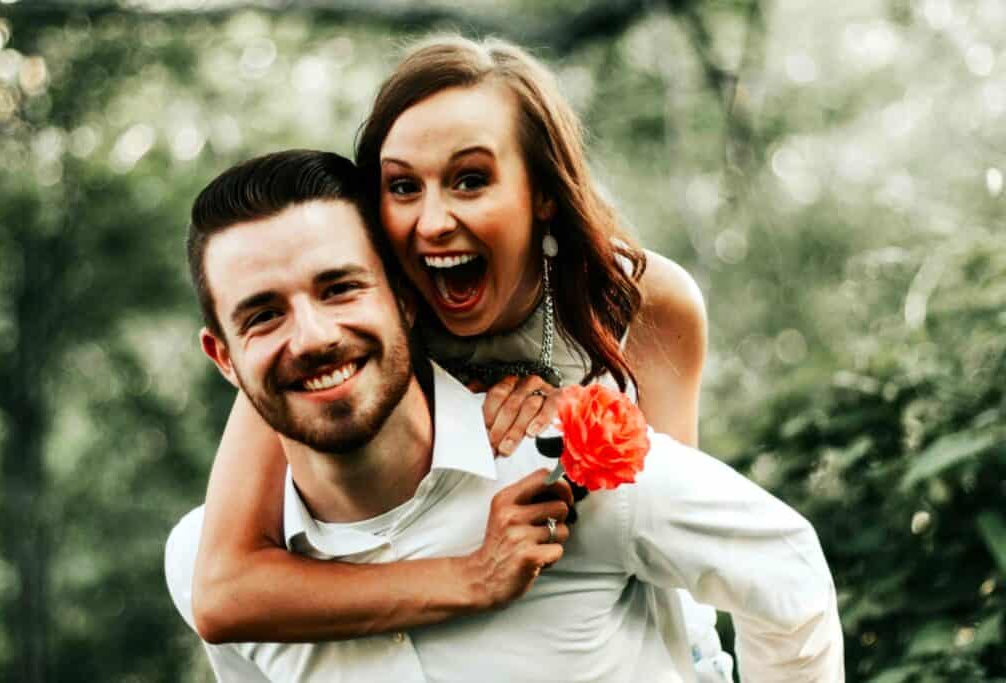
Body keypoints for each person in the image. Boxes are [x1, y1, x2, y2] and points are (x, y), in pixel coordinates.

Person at [165, 149, 844, 682]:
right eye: (263, 314)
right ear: (222, 356)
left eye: (340, 287)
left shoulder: (568, 466)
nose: (311, 335)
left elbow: (786, 572)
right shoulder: (202, 559)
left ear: (405, 296)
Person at [193, 36, 712, 678]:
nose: (433, 221)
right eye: (403, 186)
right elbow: (222, 589)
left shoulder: (648, 302)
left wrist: (570, 439)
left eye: (471, 179)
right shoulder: (343, 328)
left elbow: (675, 534)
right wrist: (472, 577)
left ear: (543, 191)